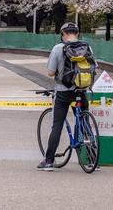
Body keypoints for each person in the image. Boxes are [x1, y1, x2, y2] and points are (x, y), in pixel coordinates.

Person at [37, 21, 95, 171]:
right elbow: (94, 67)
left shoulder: (58, 48)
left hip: (63, 91)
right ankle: (91, 159)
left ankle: (49, 161)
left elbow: (50, 72)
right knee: (85, 123)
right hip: (81, 90)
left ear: (63, 34)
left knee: (57, 125)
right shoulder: (87, 47)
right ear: (77, 33)